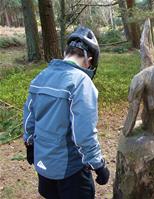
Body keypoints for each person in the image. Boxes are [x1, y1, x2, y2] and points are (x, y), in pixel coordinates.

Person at [23, 26, 110, 199]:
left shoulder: (41, 76)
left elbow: (29, 119)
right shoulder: (82, 82)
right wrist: (98, 165)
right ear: (89, 60)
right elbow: (84, 133)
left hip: (43, 164)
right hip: (70, 170)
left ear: (66, 53)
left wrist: (29, 145)